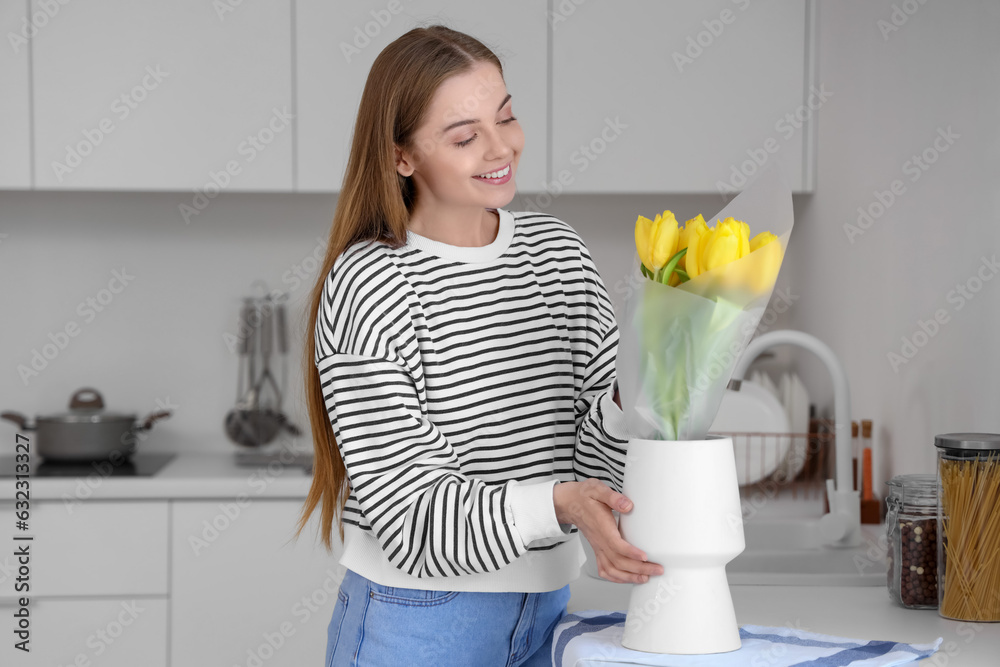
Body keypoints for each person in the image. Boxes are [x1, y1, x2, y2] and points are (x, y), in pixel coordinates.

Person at [296, 24, 662, 667]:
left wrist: (638, 389)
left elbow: (594, 462)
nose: (501, 148)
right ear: (402, 157)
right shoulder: (372, 282)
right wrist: (557, 502)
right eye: (464, 137)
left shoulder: (558, 256)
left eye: (507, 118)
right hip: (416, 623)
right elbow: (409, 518)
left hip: (547, 612)